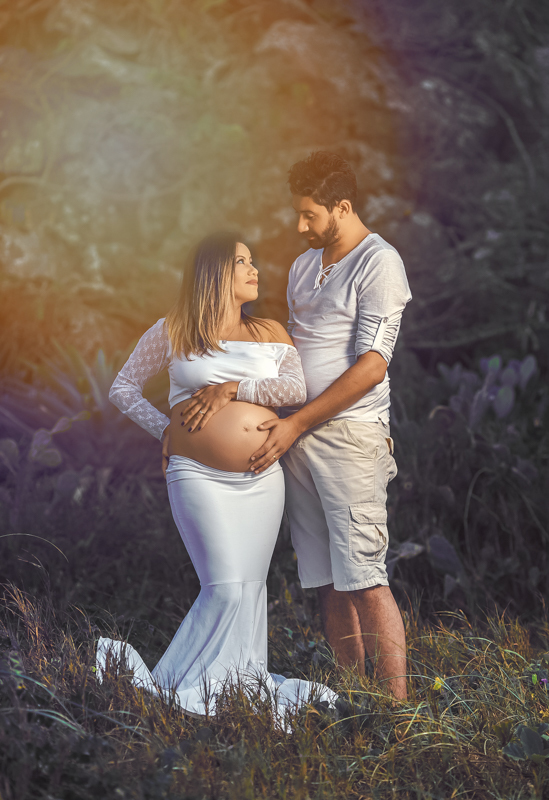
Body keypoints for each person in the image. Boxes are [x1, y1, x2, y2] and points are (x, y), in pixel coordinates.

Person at [96, 231, 337, 720]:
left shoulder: (270, 331)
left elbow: (295, 386)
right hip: (198, 474)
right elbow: (123, 388)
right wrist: (167, 428)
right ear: (213, 273)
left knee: (250, 591)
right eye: (241, 262)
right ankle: (168, 694)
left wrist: (230, 388)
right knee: (225, 588)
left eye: (252, 261)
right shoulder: (174, 329)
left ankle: (232, 691)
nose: (253, 269)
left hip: (262, 479)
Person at [248, 152, 412, 701]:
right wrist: (242, 390)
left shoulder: (378, 263)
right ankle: (350, 697)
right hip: (298, 437)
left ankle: (397, 711)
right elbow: (293, 354)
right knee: (325, 579)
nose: (300, 227)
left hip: (350, 438)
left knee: (365, 574)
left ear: (342, 207)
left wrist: (295, 425)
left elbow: (372, 364)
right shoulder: (302, 266)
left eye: (309, 215)